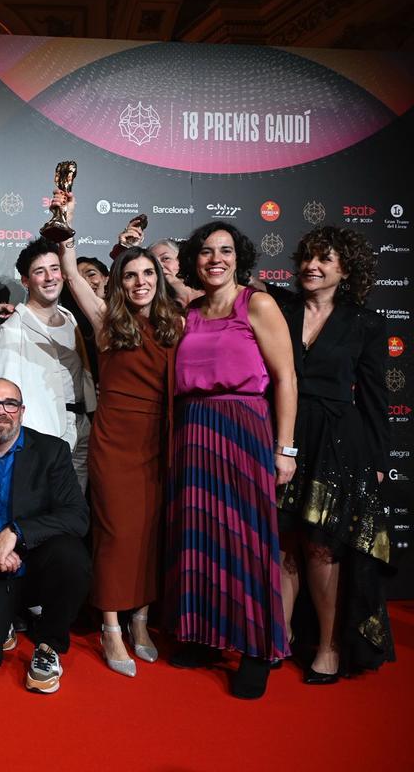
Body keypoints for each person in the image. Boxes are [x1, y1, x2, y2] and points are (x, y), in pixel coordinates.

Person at [163, 221, 297, 699]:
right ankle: (206, 635)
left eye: (224, 250)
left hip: (244, 430)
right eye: (205, 251)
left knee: (247, 540)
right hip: (194, 431)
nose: (215, 259)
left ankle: (258, 649)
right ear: (194, 261)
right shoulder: (190, 311)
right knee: (200, 536)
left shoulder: (257, 304)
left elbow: (286, 378)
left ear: (238, 258)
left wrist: (285, 448)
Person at [53, 190, 183, 677]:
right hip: (114, 440)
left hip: (159, 439)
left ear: (159, 278)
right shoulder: (107, 320)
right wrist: (66, 225)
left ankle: (141, 621)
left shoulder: (176, 324)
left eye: (148, 273)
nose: (140, 282)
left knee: (149, 533)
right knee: (114, 533)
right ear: (119, 283)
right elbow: (71, 274)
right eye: (130, 275)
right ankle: (110, 625)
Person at [275, 226, 394, 682]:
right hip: (283, 432)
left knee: (323, 546)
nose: (312, 266)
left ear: (346, 270)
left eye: (324, 259)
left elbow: (375, 397)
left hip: (338, 443)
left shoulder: (365, 322)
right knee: (283, 540)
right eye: (307, 257)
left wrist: (379, 462)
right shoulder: (279, 309)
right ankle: (281, 635)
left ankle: (328, 645)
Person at [0, 379, 90, 691]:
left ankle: (49, 644)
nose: (1, 411)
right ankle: (5, 620)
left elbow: (77, 517)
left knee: (71, 556)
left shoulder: (51, 451)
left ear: (21, 411)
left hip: (32, 566)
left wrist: (16, 532)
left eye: (10, 404)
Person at [0, 238, 96, 488]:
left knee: (76, 503)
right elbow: (6, 395)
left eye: (54, 269)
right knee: (46, 504)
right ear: (25, 281)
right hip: (42, 433)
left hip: (83, 426)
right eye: (40, 271)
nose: (50, 277)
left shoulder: (70, 318)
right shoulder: (12, 329)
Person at [149, 239, 202, 308]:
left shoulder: (210, 293)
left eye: (165, 258)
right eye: (154, 263)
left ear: (181, 260)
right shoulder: (158, 308)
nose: (160, 266)